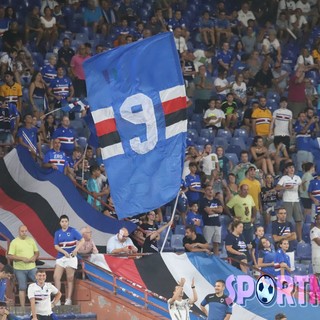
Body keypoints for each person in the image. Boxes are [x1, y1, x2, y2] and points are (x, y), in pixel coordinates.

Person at [53, 215, 84, 306]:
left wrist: (76, 250)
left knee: (70, 278)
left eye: (66, 221)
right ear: (60, 223)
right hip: (61, 257)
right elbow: (56, 246)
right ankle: (57, 298)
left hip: (71, 257)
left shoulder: (73, 231)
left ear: (68, 222)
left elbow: (82, 240)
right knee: (56, 277)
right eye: (62, 221)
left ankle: (68, 299)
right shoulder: (57, 233)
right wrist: (63, 252)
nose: (64, 223)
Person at [7, 225, 39, 308]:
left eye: (25, 231)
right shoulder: (14, 242)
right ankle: (23, 307)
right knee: (22, 287)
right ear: (19, 231)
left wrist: (34, 257)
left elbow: (36, 252)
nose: (24, 233)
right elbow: (9, 256)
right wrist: (22, 259)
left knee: (39, 283)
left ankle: (39, 306)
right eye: (22, 231)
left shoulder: (31, 240)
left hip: (32, 267)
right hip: (19, 268)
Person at [276, 162, 303, 243]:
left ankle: (300, 239)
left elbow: (302, 188)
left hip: (296, 200)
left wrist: (303, 184)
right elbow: (277, 187)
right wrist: (286, 187)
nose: (292, 169)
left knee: (298, 221)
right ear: (286, 169)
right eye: (290, 167)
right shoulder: (284, 178)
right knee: (286, 221)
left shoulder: (297, 177)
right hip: (287, 201)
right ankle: (285, 239)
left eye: (293, 167)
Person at [199, 185, 223, 255]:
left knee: (216, 243)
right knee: (206, 244)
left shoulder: (217, 200)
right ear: (205, 192)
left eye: (211, 189)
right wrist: (216, 210)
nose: (210, 191)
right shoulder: (203, 201)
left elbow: (221, 210)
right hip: (208, 224)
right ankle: (205, 258)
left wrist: (211, 209)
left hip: (217, 224)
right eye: (208, 189)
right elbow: (208, 212)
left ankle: (216, 259)